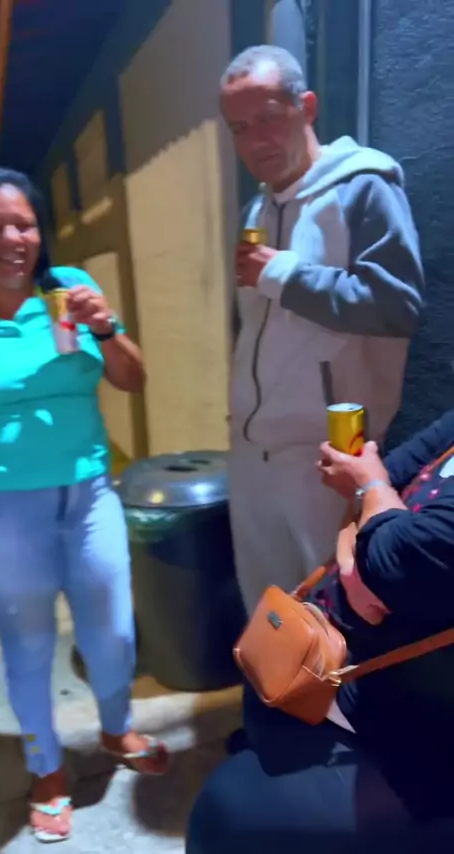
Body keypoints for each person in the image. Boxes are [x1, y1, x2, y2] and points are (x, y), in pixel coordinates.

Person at [0, 167, 168, 844]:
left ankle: (116, 731)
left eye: (23, 224)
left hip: (89, 497)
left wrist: (106, 327)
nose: (11, 239)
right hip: (1, 510)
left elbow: (133, 379)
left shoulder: (68, 289)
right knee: (27, 646)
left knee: (112, 633)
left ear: (41, 232)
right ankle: (47, 769)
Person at [187, 410, 454, 853]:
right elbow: (391, 473)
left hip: (404, 711)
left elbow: (400, 559)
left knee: (227, 819)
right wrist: (370, 527)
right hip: (340, 662)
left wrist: (373, 498)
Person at [221, 45, 425, 616]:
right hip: (251, 452)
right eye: (240, 128)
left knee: (332, 617)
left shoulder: (364, 185)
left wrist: (283, 275)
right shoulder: (256, 210)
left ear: (305, 107)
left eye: (268, 117)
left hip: (326, 457)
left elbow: (396, 306)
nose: (255, 140)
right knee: (269, 613)